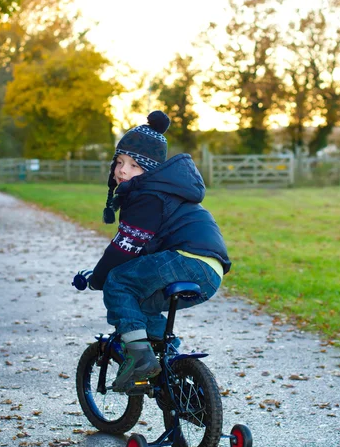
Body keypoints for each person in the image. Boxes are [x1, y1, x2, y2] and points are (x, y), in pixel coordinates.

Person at [75, 110, 231, 392]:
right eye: (119, 162)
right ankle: (170, 363)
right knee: (139, 303)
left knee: (118, 282)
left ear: (150, 171)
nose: (122, 171)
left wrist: (97, 278)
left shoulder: (148, 195)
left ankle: (139, 358)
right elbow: (141, 251)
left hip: (186, 258)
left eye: (134, 166)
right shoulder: (164, 191)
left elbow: (123, 250)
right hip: (211, 271)